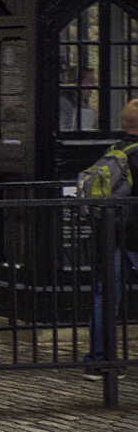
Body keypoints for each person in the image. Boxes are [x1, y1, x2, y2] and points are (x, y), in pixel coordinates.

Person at [79, 99, 138, 378]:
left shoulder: (116, 150)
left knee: (105, 297)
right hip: (134, 236)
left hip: (112, 235)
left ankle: (99, 360)